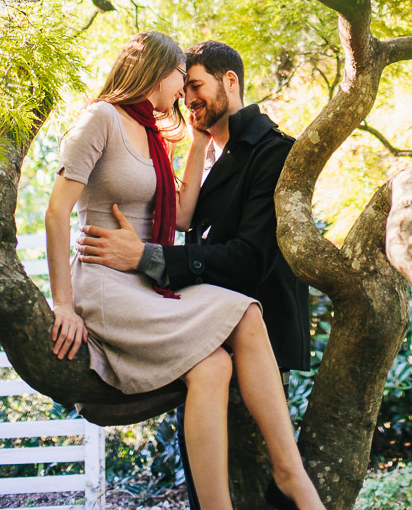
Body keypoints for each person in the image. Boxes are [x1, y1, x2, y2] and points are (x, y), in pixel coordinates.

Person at [45, 31, 323, 510]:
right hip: (106, 280)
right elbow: (56, 214)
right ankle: (289, 478)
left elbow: (182, 218)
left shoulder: (154, 134)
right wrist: (63, 304)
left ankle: (283, 475)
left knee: (228, 341)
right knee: (240, 318)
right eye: (181, 78)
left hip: (146, 280)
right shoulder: (100, 118)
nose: (185, 93)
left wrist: (194, 143)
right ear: (159, 70)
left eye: (193, 83)